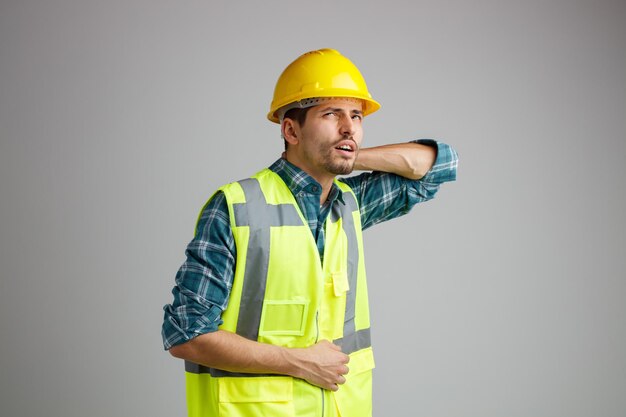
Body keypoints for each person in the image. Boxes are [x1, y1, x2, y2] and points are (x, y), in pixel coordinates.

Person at [162, 48, 458, 417]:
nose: (349, 126)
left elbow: (438, 164)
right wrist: (298, 362)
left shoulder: (350, 203)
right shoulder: (237, 207)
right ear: (291, 129)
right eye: (331, 114)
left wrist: (347, 156)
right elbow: (185, 333)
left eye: (356, 116)